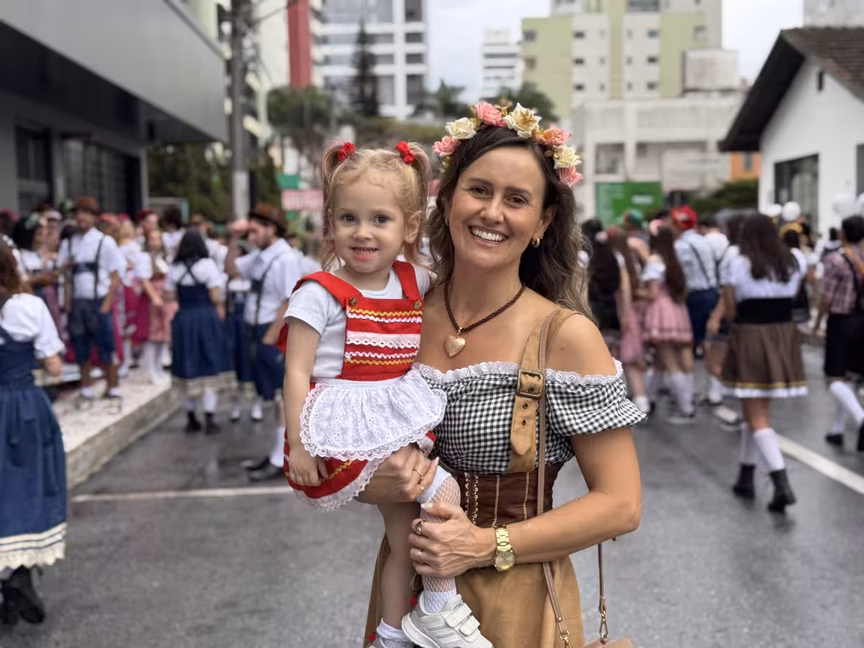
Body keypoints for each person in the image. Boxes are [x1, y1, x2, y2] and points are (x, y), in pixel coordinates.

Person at [358, 103, 642, 648]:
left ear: (543, 223)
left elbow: (621, 503)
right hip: (402, 592)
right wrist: (372, 484)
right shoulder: (396, 316)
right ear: (447, 199)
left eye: (517, 200)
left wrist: (485, 545)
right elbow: (340, 435)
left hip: (517, 598)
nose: (492, 213)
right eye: (479, 190)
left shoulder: (565, 336)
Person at [282, 140, 492, 648]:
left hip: (392, 415)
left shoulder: (415, 279)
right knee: (442, 492)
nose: (363, 232)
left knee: (404, 541)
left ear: (410, 227)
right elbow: (295, 372)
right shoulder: (318, 292)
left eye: (380, 219)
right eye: (348, 218)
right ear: (330, 223)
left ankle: (393, 634)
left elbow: (465, 293)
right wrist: (299, 446)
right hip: (345, 423)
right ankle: (440, 606)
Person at [0, 240, 67, 626]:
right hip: (23, 404)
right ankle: (19, 574)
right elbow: (54, 366)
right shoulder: (27, 306)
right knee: (29, 484)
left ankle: (8, 584)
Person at [722, 213, 807, 513]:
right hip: (783, 334)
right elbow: (793, 297)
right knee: (756, 409)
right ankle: (745, 476)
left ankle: (781, 481)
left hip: (752, 335)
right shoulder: (792, 261)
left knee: (756, 414)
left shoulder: (739, 264)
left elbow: (730, 310)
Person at [225, 204, 304, 482]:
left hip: (272, 332)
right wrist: (234, 239)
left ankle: (281, 460)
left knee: (282, 398)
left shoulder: (285, 259)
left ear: (272, 229)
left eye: (255, 230)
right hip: (256, 331)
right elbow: (232, 269)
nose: (251, 235)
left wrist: (271, 339)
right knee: (273, 397)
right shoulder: (261, 256)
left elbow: (290, 299)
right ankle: (276, 453)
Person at [57, 197, 125, 406]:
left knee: (107, 346)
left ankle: (112, 387)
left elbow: (116, 277)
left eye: (86, 213)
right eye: (78, 213)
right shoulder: (68, 243)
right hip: (77, 303)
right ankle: (86, 388)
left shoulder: (105, 242)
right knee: (80, 346)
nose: (81, 217)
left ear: (94, 217)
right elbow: (63, 276)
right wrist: (67, 303)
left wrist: (106, 306)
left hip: (98, 301)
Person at [165, 230, 225, 434]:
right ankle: (210, 418)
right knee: (208, 363)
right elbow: (215, 297)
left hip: (184, 319)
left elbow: (169, 295)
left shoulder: (174, 267)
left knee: (186, 364)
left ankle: (191, 418)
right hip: (205, 318)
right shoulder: (208, 265)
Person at [813, 215, 864, 451]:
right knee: (849, 375)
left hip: (841, 322)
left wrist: (818, 323)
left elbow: (827, 297)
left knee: (834, 378)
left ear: (843, 234)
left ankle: (861, 417)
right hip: (861, 320)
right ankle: (837, 429)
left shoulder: (835, 260)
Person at [643, 224, 695, 423]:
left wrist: (637, 293)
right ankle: (649, 400)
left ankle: (686, 407)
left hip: (660, 311)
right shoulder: (674, 260)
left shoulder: (654, 261)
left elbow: (652, 293)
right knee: (661, 360)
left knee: (669, 360)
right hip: (676, 309)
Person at [609, 226, 650, 413]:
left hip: (619, 310)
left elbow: (624, 289)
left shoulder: (614, 259)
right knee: (631, 360)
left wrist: (624, 313)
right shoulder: (632, 260)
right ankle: (642, 400)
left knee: (612, 361)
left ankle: (616, 402)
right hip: (632, 311)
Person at [670, 206, 718, 355]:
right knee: (705, 336)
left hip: (695, 294)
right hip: (711, 291)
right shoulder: (703, 240)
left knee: (693, 338)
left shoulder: (681, 246)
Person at [135, 228, 174, 384]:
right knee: (152, 335)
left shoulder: (163, 257)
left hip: (164, 297)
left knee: (161, 336)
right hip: (152, 299)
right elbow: (144, 280)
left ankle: (158, 367)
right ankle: (151, 369)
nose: (155, 242)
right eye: (152, 239)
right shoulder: (145, 258)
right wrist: (155, 297)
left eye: (158, 239)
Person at [580, 219, 622, 356]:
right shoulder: (613, 255)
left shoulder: (583, 257)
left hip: (593, 311)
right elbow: (621, 287)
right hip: (612, 311)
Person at [115, 218, 142, 377]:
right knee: (122, 324)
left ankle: (132, 356)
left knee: (133, 323)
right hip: (120, 286)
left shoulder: (135, 246)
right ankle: (123, 359)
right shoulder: (115, 245)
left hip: (132, 285)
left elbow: (138, 264)